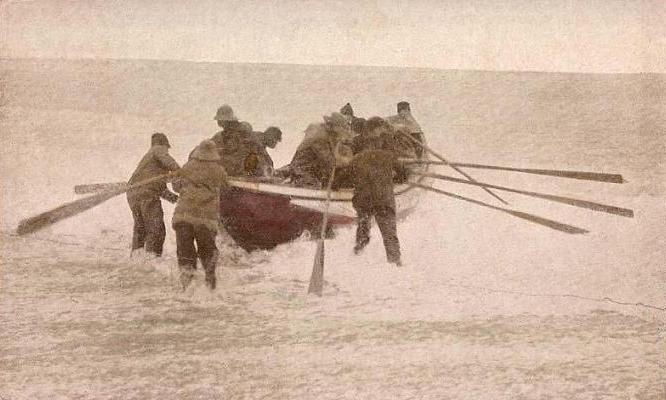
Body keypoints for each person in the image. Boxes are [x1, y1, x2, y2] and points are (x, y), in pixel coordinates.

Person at [349, 117, 408, 266]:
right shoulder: (389, 156)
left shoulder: (356, 159)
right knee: (389, 234)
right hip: (383, 199)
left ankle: (357, 258)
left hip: (363, 200)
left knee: (363, 229)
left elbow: (344, 178)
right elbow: (404, 175)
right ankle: (395, 264)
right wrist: (392, 178)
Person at [172, 139, 229, 290]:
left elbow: (176, 186)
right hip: (205, 220)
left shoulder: (188, 166)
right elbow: (225, 187)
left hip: (183, 218)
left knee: (185, 256)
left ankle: (187, 291)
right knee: (208, 254)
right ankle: (210, 289)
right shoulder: (218, 170)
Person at [126, 133, 180, 258]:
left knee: (140, 229)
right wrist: (180, 170)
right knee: (156, 229)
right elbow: (171, 164)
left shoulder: (148, 164)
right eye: (167, 148)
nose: (167, 151)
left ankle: (136, 258)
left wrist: (177, 199)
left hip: (133, 193)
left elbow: (161, 189)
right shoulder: (157, 149)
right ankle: (152, 258)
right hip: (146, 193)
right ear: (163, 144)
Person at [289, 112, 354, 188]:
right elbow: (329, 161)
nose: (345, 132)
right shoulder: (320, 138)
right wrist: (349, 162)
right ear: (335, 128)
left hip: (310, 172)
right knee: (315, 187)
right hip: (302, 172)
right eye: (343, 128)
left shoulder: (329, 137)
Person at [210, 105, 253, 175]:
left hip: (240, 167)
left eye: (220, 120)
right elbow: (209, 145)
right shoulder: (224, 134)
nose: (218, 123)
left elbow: (238, 153)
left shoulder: (240, 133)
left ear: (226, 121)